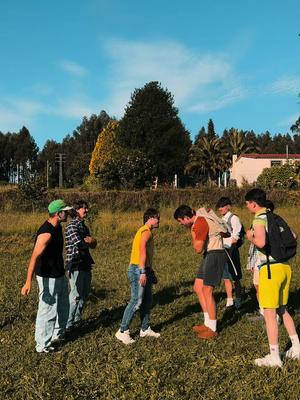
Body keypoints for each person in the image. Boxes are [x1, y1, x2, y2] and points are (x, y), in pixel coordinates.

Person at [245, 188, 300, 367]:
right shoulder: (275, 217)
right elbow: (293, 235)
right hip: (284, 267)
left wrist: (250, 237)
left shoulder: (259, 219)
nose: (247, 207)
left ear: (253, 203)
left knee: (269, 313)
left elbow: (260, 242)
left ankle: (274, 357)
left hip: (269, 270)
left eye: (247, 204)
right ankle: (297, 348)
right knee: (282, 309)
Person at [21, 199, 72, 353]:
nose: (68, 213)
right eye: (65, 211)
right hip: (47, 277)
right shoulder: (46, 233)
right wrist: (27, 282)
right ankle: (42, 346)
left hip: (58, 274)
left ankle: (57, 334)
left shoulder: (57, 227)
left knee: (63, 306)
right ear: (58, 214)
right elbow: (34, 257)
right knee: (47, 310)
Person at [174, 205, 227, 339]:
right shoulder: (199, 221)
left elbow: (198, 248)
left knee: (207, 290)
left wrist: (193, 232)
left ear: (186, 218)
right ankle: (207, 322)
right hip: (210, 254)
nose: (181, 224)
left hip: (216, 254)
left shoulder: (199, 223)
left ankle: (213, 329)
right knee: (198, 287)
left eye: (180, 221)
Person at [115, 208, 161, 345]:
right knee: (136, 301)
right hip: (137, 269)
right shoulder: (145, 232)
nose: (159, 220)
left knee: (147, 300)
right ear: (150, 218)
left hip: (143, 269)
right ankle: (122, 331)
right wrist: (142, 272)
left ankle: (145, 328)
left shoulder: (147, 231)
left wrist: (149, 271)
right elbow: (142, 251)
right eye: (157, 217)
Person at [65, 200, 97, 331]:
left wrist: (92, 240)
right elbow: (80, 244)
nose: (87, 210)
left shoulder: (84, 226)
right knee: (75, 295)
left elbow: (93, 244)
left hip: (86, 263)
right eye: (85, 208)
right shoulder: (72, 226)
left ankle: (76, 319)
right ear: (77, 210)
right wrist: (88, 241)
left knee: (84, 293)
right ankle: (67, 323)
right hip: (75, 263)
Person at [216, 197, 243, 310]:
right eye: (219, 207)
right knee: (226, 277)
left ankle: (239, 301)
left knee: (235, 277)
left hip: (231, 251)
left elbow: (235, 238)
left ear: (228, 206)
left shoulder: (234, 218)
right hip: (223, 251)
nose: (220, 209)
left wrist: (223, 240)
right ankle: (229, 301)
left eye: (222, 206)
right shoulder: (220, 219)